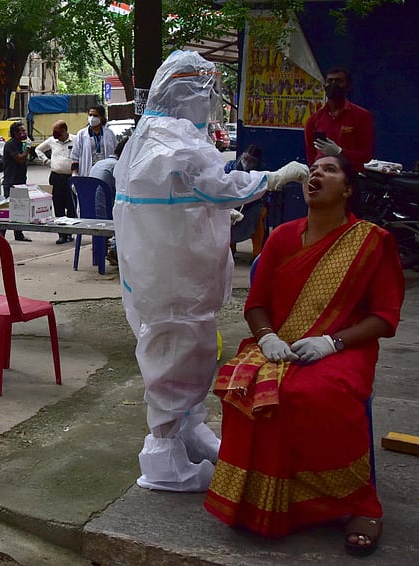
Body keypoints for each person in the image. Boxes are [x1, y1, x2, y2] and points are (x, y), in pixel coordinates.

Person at [111, 50, 310, 492]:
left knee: (189, 355)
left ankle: (189, 431)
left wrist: (210, 217)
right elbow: (219, 187)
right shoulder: (177, 140)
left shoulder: (151, 134)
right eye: (210, 93)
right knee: (176, 356)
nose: (213, 102)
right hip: (175, 279)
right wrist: (273, 178)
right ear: (192, 93)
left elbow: (167, 199)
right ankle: (163, 458)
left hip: (162, 269)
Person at [205, 154, 404, 556]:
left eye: (329, 170)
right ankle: (270, 499)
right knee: (241, 384)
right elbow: (256, 305)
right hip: (280, 342)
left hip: (347, 346)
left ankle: (357, 503)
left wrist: (333, 342)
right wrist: (266, 338)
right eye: (313, 170)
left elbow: (384, 317)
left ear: (348, 189)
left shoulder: (371, 242)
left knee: (308, 394)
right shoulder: (282, 237)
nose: (316, 174)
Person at [304, 68, 374, 170]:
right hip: (324, 177)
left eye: (338, 81)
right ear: (324, 86)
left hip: (351, 178)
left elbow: (366, 155)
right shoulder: (313, 120)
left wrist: (340, 152)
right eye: (330, 81)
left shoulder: (362, 116)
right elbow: (311, 155)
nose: (333, 84)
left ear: (348, 86)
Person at [35, 120, 76, 244]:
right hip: (56, 177)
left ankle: (69, 232)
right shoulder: (52, 141)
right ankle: (61, 234)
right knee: (58, 207)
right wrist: (46, 161)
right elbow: (38, 150)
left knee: (71, 206)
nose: (54, 134)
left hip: (70, 178)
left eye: (57, 132)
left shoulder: (75, 139)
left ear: (64, 130)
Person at [226, 145, 267, 257]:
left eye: (251, 160)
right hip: (232, 202)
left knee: (258, 214)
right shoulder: (230, 166)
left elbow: (265, 193)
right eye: (246, 157)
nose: (247, 161)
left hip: (251, 206)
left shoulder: (261, 171)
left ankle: (257, 254)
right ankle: (229, 250)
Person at [0, 121, 35, 242]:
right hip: (11, 181)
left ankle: (18, 234)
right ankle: (0, 234)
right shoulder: (10, 145)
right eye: (22, 131)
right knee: (9, 208)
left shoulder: (21, 144)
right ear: (15, 133)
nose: (25, 133)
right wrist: (28, 148)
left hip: (20, 180)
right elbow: (20, 159)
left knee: (19, 208)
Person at [70, 105, 117, 177]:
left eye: (95, 115)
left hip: (105, 172)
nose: (92, 118)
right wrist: (75, 174)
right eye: (90, 115)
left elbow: (115, 154)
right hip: (87, 172)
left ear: (101, 117)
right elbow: (75, 156)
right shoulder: (81, 134)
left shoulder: (109, 134)